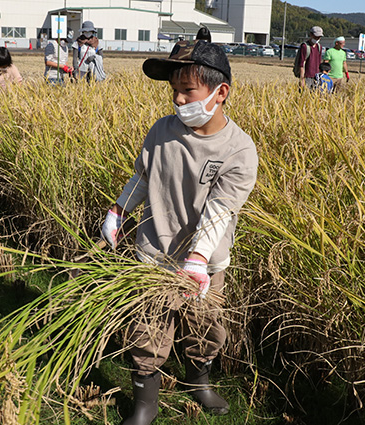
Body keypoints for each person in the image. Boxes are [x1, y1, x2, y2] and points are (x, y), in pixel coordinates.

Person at [100, 40, 258, 424]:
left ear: (220, 93)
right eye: (175, 90)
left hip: (205, 267)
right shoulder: (162, 131)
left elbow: (221, 209)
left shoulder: (238, 150)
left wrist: (199, 260)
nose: (179, 99)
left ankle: (198, 382)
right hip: (155, 254)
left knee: (205, 327)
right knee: (148, 329)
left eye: (188, 90)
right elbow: (143, 176)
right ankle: (144, 405)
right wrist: (118, 210)